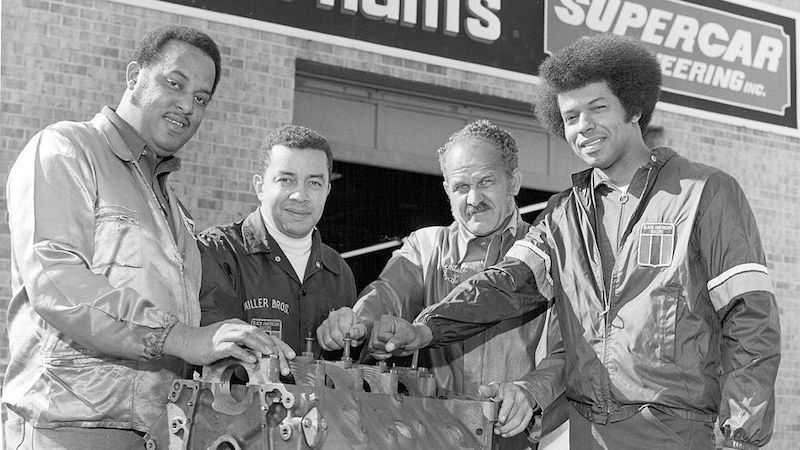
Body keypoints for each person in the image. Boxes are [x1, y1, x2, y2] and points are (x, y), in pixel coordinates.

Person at [367, 34, 781, 450]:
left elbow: (750, 320)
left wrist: (740, 439)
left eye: (597, 108)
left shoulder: (706, 193)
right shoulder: (562, 215)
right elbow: (505, 285)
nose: (583, 126)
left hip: (676, 433)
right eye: (570, 116)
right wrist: (428, 329)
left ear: (634, 107)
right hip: (588, 434)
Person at [4, 25, 292, 449]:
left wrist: (240, 345)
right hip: (66, 428)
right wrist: (183, 338)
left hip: (156, 434)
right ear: (134, 75)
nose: (187, 106)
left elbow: (193, 329)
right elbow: (56, 281)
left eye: (201, 98)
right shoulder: (67, 150)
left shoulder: (176, 213)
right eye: (174, 83)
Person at [316, 120, 567, 449]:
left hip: (517, 440)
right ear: (447, 189)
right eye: (461, 186)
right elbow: (386, 293)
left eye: (486, 181)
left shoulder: (548, 256)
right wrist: (358, 322)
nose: (474, 198)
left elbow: (569, 352)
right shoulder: (425, 248)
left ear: (514, 182)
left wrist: (530, 391)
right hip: (429, 436)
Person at [198, 125, 357, 359]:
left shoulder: (339, 273)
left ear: (327, 191)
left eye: (314, 183)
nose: (300, 195)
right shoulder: (217, 253)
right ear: (260, 187)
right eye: (286, 180)